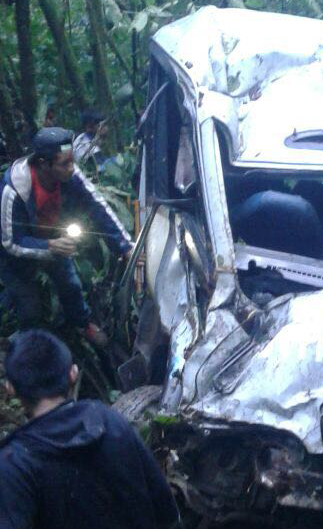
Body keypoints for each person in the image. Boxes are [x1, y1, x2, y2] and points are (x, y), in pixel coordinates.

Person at [0, 329, 180, 529]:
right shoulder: (111, 422)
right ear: (73, 374)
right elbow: (167, 513)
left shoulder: (14, 464)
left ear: (10, 388)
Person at [0, 127, 133, 346]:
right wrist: (49, 246)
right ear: (44, 164)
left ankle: (82, 323)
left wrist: (125, 247)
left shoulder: (70, 174)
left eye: (72, 161)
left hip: (53, 238)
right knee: (28, 306)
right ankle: (30, 344)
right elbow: (10, 242)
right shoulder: (14, 189)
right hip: (18, 253)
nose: (72, 168)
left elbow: (96, 205)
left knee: (70, 285)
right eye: (65, 163)